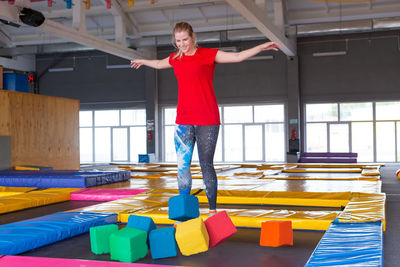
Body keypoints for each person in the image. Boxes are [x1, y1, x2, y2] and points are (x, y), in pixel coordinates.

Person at [131, 22, 280, 216]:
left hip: (207, 119)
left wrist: (261, 47)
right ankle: (184, 211)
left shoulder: (208, 54)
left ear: (193, 37)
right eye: (178, 41)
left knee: (205, 165)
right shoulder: (176, 58)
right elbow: (159, 64)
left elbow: (237, 57)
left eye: (185, 39)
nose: (182, 44)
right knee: (182, 166)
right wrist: (143, 60)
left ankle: (212, 210)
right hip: (183, 120)